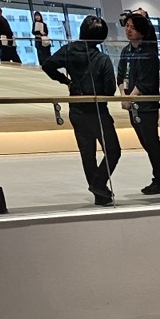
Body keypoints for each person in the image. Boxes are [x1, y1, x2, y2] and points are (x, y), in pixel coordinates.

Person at [40, 14, 121, 206]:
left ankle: (99, 194)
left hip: (76, 108)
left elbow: (47, 65)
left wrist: (66, 81)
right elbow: (110, 89)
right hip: (97, 110)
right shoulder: (102, 59)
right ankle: (98, 184)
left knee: (87, 153)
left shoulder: (69, 50)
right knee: (113, 150)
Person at [118, 10, 160, 195]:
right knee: (146, 142)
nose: (128, 30)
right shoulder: (126, 51)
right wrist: (124, 95)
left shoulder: (148, 53)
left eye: (133, 27)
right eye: (127, 26)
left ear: (142, 31)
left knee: (151, 142)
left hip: (146, 105)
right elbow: (121, 75)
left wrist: (130, 97)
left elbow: (145, 82)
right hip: (132, 104)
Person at [31, 13, 63, 125]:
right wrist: (38, 33)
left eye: (38, 16)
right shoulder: (35, 25)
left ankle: (47, 64)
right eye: (36, 16)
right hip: (39, 41)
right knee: (41, 54)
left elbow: (47, 32)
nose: (37, 18)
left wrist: (43, 33)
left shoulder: (43, 24)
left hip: (44, 41)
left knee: (46, 54)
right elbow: (33, 32)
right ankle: (42, 65)